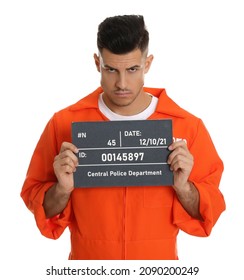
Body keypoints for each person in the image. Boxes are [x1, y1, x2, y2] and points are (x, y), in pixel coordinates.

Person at [20, 14, 225, 260]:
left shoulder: (187, 127)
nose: (122, 83)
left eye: (132, 69)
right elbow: (37, 202)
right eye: (111, 69)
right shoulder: (63, 124)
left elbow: (208, 210)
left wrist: (184, 188)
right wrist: (62, 189)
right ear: (97, 62)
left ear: (147, 63)